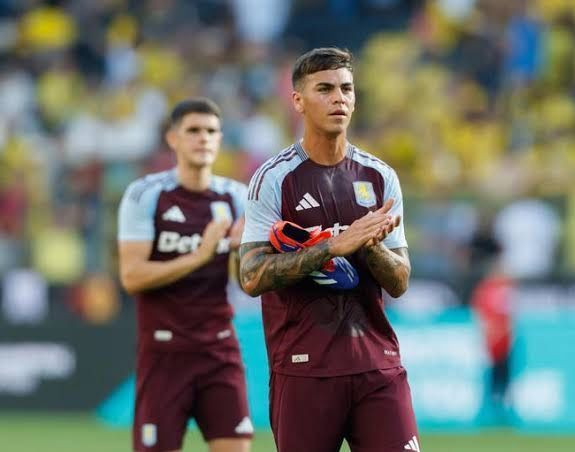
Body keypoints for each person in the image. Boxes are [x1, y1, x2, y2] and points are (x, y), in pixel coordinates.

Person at [240, 47, 420, 452]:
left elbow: (400, 281)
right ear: (298, 101)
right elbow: (251, 276)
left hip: (377, 365)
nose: (339, 98)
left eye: (346, 89)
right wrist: (332, 247)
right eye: (324, 89)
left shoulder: (380, 177)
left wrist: (370, 245)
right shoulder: (274, 179)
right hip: (305, 369)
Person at [117, 98, 252, 452]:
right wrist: (201, 255)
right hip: (164, 351)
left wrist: (241, 251)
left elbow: (247, 283)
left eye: (211, 131)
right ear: (173, 138)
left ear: (220, 139)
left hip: (219, 348)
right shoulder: (146, 194)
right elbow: (132, 277)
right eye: (193, 130)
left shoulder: (237, 197)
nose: (203, 138)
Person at [469, 232, 514, 422]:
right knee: (490, 377)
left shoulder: (506, 286)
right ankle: (487, 411)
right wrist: (486, 334)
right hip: (491, 342)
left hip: (505, 340)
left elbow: (511, 315)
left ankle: (502, 411)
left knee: (505, 377)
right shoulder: (486, 288)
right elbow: (479, 315)